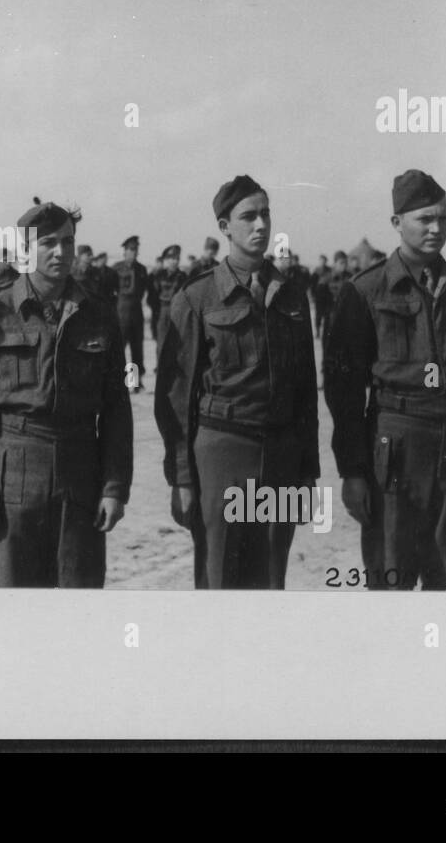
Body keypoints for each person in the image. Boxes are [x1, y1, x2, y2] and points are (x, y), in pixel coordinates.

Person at [0, 201, 132, 588]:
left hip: (80, 469)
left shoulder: (98, 313)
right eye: (48, 242)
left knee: (77, 598)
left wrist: (114, 487)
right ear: (25, 250)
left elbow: (117, 409)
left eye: (68, 241)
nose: (60, 252)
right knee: (13, 600)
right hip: (15, 467)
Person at [155, 175, 319, 589]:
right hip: (221, 458)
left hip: (281, 456)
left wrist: (307, 471)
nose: (261, 225)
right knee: (221, 579)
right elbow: (175, 401)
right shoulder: (197, 298)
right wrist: (183, 479)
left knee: (270, 580)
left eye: (266, 214)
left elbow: (305, 394)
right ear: (225, 227)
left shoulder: (291, 296)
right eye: (249, 216)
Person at [324, 170, 446, 591]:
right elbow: (344, 394)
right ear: (397, 223)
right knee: (390, 581)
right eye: (425, 219)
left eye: (443, 219)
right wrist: (353, 471)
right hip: (393, 451)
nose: (436, 229)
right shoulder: (365, 291)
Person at [113, 235, 149, 392]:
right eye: (131, 250)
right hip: (121, 311)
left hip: (136, 311)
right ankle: (117, 382)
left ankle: (134, 382)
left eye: (136, 250)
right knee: (120, 347)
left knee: (137, 348)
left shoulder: (142, 269)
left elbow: (144, 291)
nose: (133, 253)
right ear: (125, 251)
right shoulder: (116, 268)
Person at [147, 244, 187, 355]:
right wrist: (156, 312)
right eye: (172, 258)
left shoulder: (183, 276)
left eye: (177, 259)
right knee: (161, 344)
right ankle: (160, 370)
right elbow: (152, 296)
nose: (175, 261)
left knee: (177, 345)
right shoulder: (158, 276)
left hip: (178, 312)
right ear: (166, 260)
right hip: (162, 311)